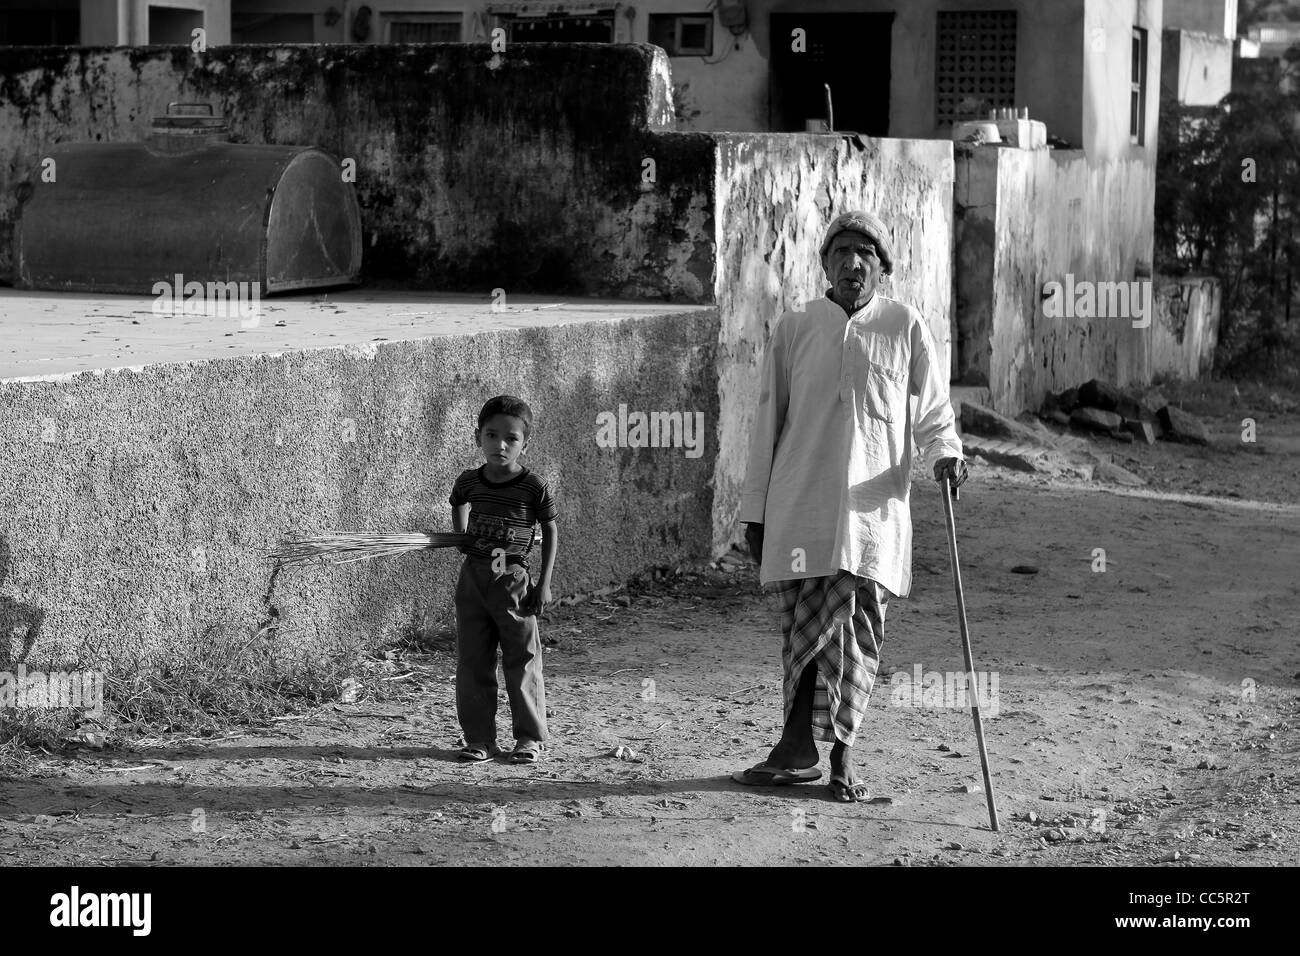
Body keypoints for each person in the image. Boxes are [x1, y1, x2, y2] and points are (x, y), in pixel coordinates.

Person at [733, 210, 968, 802]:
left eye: (865, 252)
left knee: (857, 637)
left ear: (882, 268)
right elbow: (767, 421)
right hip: (801, 506)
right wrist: (754, 510)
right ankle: (794, 749)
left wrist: (946, 453)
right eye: (841, 250)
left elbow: (935, 409)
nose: (852, 261)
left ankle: (841, 757)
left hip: (872, 516)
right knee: (804, 635)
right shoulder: (796, 327)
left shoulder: (905, 324)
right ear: (825, 264)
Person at [448, 395, 557, 765]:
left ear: (527, 443)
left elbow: (551, 529)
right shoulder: (469, 481)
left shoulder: (533, 486)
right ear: (478, 436)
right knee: (473, 660)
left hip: (513, 580)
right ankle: (479, 738)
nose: (500, 445)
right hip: (474, 580)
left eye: (511, 438)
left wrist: (543, 583)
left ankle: (529, 739)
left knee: (522, 659)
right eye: (491, 435)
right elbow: (458, 501)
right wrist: (463, 537)